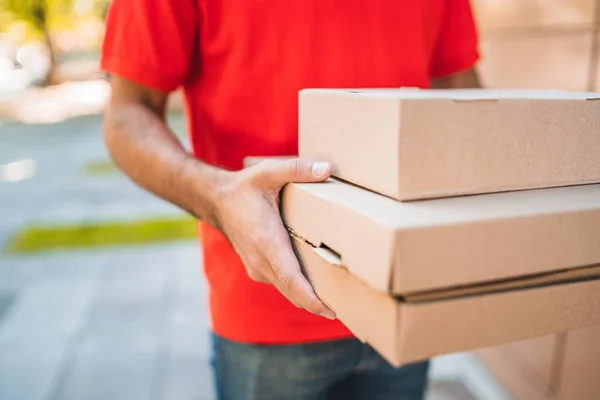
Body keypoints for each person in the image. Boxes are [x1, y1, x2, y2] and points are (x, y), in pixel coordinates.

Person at [101, 1, 481, 399]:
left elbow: (461, 94)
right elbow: (127, 113)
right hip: (267, 312)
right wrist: (217, 196)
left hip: (402, 294)